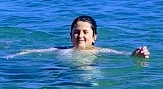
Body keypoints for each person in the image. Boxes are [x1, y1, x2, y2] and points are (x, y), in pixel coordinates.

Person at [14, 15, 149, 58]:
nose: (80, 36)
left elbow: (123, 54)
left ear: (94, 37)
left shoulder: (100, 51)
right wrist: (18, 53)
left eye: (85, 32)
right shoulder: (61, 50)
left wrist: (135, 55)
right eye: (77, 32)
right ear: (71, 35)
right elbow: (36, 51)